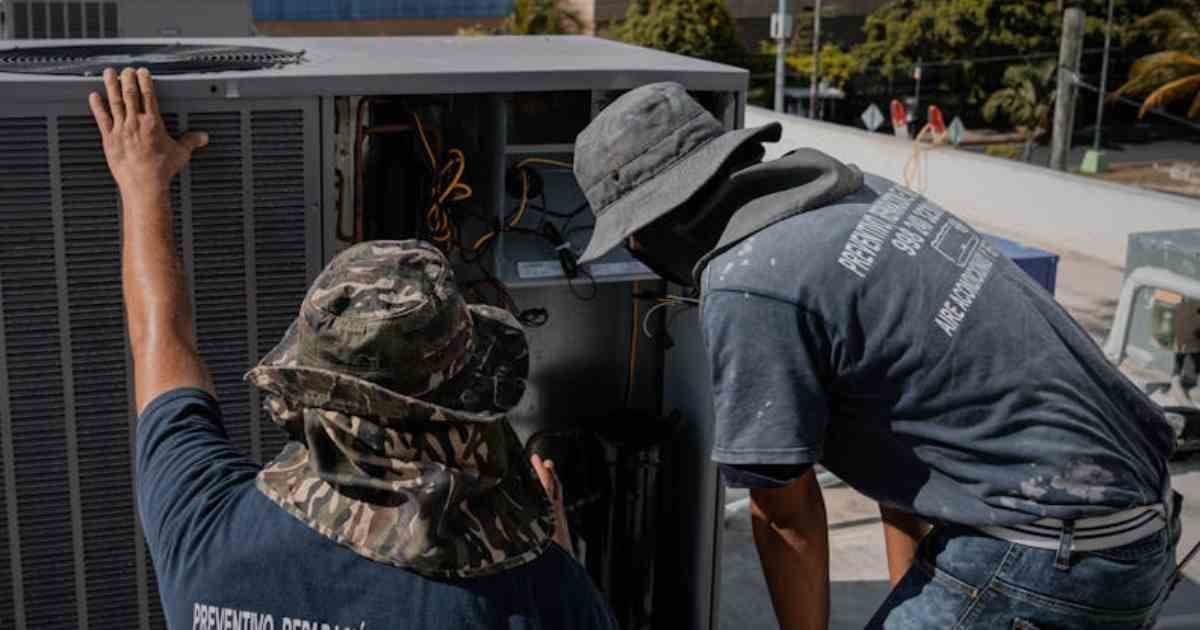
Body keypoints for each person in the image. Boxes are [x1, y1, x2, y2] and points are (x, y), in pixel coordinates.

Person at [572, 81, 1181, 630]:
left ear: (649, 228)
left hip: (1050, 555)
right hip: (1136, 526)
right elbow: (904, 451)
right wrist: (916, 594)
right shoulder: (860, 195)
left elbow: (786, 518)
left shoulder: (750, 282)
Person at [90, 66, 614, 630]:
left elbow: (159, 340)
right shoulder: (531, 593)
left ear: (312, 387)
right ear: (462, 411)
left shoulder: (204, 530)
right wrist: (552, 544)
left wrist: (142, 184)